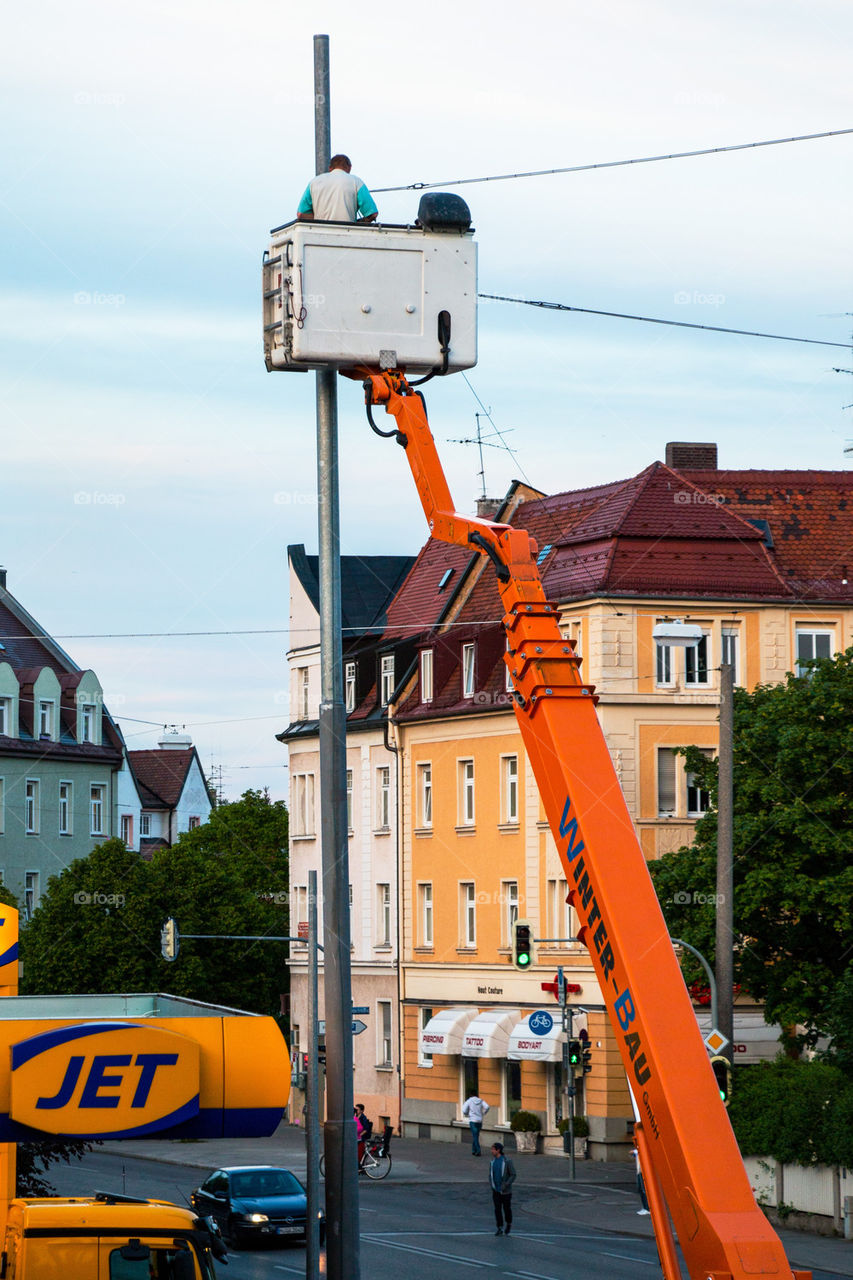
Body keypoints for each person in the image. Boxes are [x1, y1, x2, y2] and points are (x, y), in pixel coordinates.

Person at [296, 155, 378, 224]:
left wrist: (319, 219)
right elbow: (373, 214)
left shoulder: (314, 182)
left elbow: (301, 214)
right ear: (349, 167)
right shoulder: (356, 182)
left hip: (319, 235)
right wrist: (357, 223)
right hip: (347, 234)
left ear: (330, 168)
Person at [489, 1142, 516, 1235]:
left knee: (506, 1208)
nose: (491, 1151)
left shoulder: (507, 1161)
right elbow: (491, 1174)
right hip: (496, 1190)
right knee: (497, 1209)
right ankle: (499, 1226)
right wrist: (492, 1184)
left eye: (493, 1149)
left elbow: (513, 1174)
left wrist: (506, 1184)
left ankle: (508, 1223)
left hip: (505, 1191)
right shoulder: (492, 1162)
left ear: (498, 1150)